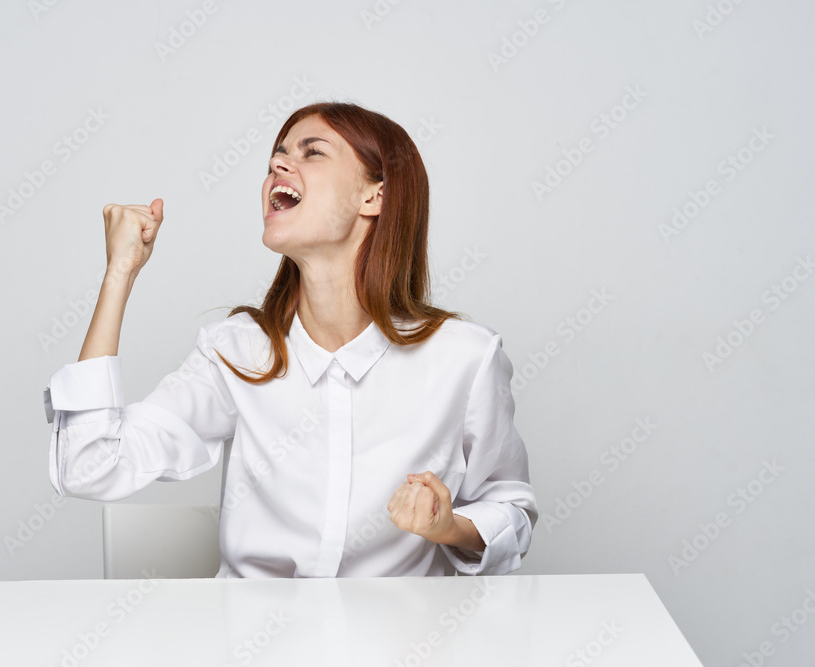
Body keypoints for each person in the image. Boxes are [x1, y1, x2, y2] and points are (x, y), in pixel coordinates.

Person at [43, 101, 538, 577]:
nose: (279, 163)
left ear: (374, 196)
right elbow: (88, 466)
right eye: (276, 156)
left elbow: (510, 508)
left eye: (311, 151)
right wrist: (120, 273)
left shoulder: (464, 358)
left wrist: (449, 527)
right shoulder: (235, 352)